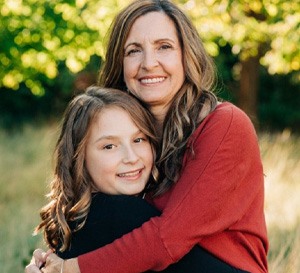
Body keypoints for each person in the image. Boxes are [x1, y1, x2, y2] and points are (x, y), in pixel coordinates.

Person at [26, 0, 269, 272]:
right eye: (134, 51)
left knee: (110, 211)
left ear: (186, 55)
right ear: (120, 62)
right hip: (161, 261)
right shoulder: (127, 128)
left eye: (164, 47)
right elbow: (84, 193)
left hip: (224, 268)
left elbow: (169, 239)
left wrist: (69, 268)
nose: (149, 63)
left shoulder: (225, 124)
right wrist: (49, 261)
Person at [27, 86, 217, 273]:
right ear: (79, 158)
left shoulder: (74, 221)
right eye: (109, 146)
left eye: (139, 139)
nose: (132, 157)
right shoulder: (120, 212)